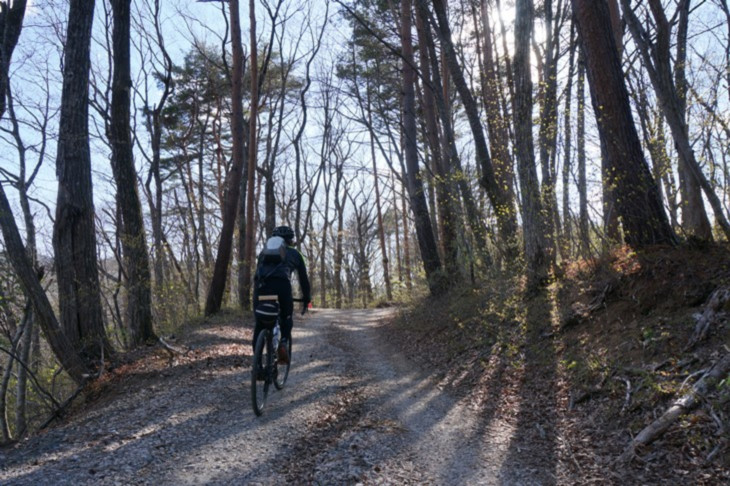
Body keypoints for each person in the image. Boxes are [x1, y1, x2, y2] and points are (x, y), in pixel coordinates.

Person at [252, 225, 311, 364]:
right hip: (282, 286)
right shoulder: (296, 254)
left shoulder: (264, 252)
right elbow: (303, 279)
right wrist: (306, 298)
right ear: (291, 241)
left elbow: (257, 273)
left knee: (259, 324)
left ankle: (258, 366)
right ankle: (283, 341)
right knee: (286, 316)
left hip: (261, 286)